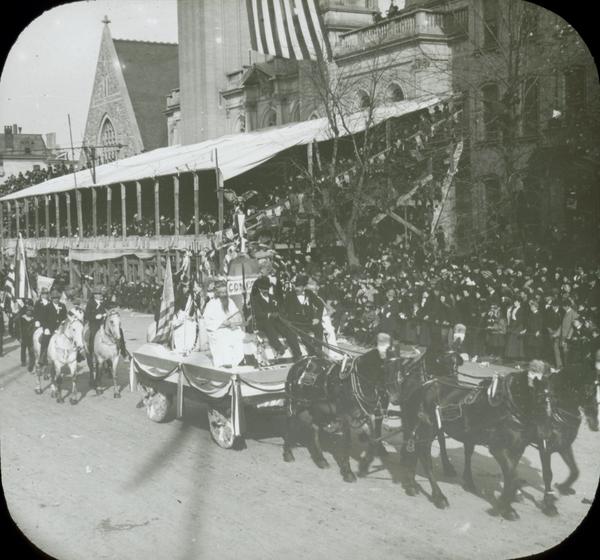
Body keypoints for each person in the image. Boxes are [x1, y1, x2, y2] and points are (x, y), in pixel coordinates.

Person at [250, 275, 302, 360]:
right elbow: (258, 314)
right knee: (268, 325)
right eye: (264, 288)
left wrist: (279, 314)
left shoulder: (273, 297)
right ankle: (279, 347)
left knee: (288, 329)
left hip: (274, 320)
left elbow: (279, 310)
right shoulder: (255, 299)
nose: (266, 290)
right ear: (260, 289)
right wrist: (269, 314)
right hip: (262, 322)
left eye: (267, 288)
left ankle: (297, 353)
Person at [203, 280, 245, 368]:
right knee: (224, 336)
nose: (224, 294)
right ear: (217, 293)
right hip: (217, 329)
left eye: (225, 292)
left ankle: (239, 359)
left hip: (230, 327)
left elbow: (237, 314)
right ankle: (226, 361)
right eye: (221, 293)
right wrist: (224, 324)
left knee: (239, 334)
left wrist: (235, 322)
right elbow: (208, 322)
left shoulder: (230, 301)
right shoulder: (211, 304)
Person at [284, 274, 323, 352]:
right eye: (295, 286)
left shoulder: (309, 293)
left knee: (319, 327)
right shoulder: (289, 295)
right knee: (304, 336)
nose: (296, 288)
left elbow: (320, 305)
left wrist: (317, 318)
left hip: (309, 321)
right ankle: (310, 351)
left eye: (299, 286)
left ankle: (319, 350)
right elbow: (285, 310)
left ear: (304, 287)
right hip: (297, 323)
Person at [33, 287, 65, 365]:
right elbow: (43, 319)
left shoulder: (62, 305)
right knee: (45, 339)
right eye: (54, 298)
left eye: (57, 298)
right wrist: (46, 328)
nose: (56, 300)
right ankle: (42, 356)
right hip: (50, 327)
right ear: (52, 298)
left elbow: (65, 315)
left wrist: (64, 321)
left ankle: (76, 354)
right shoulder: (47, 306)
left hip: (60, 327)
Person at [16, 299, 36, 370]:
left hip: (31, 337)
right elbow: (19, 329)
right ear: (25, 311)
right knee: (23, 349)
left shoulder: (33, 319)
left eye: (30, 311)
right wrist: (19, 337)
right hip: (23, 337)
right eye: (27, 311)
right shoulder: (22, 318)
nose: (29, 312)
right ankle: (23, 361)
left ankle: (31, 362)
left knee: (31, 351)